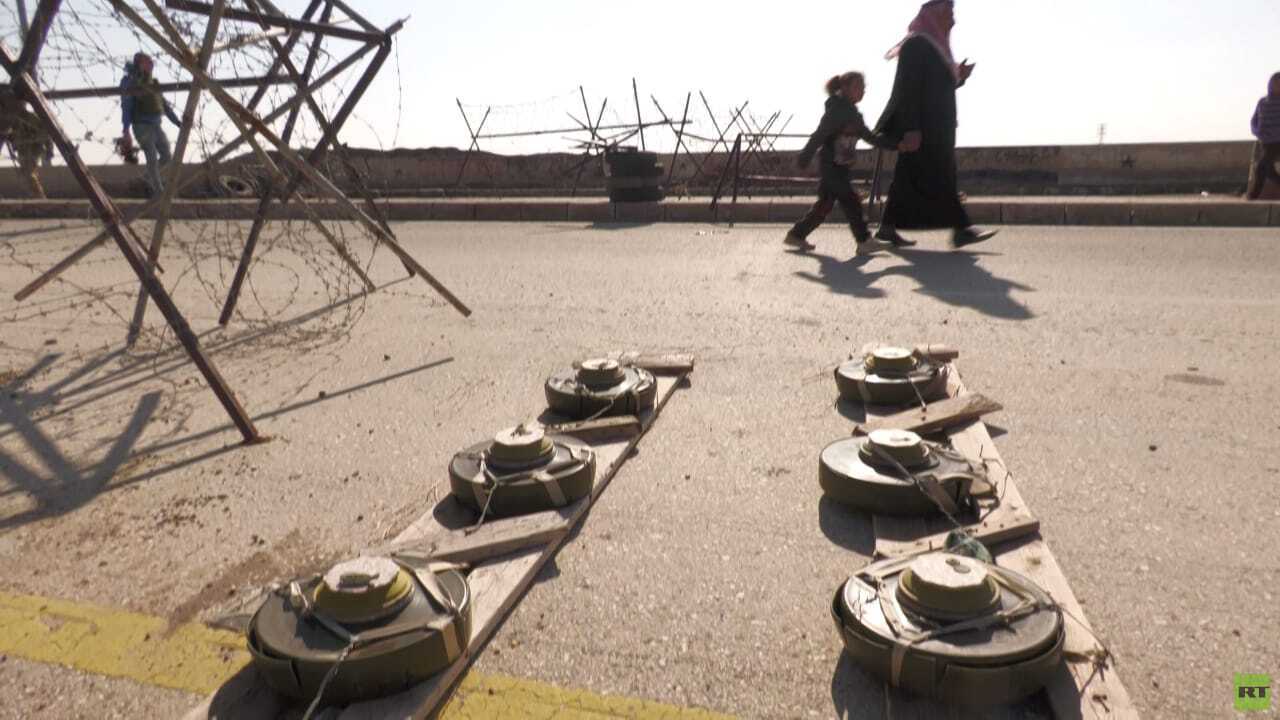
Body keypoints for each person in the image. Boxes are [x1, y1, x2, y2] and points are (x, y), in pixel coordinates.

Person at [874, 0, 995, 249]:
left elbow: (936, 88)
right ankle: (961, 229)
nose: (953, 18)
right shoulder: (916, 44)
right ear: (935, 13)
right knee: (941, 176)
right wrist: (911, 129)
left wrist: (959, 77)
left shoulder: (937, 48)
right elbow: (908, 89)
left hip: (937, 127)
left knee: (909, 178)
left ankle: (887, 227)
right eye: (949, 11)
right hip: (924, 129)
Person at [785, 72, 905, 255]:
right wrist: (804, 159)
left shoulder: (852, 113)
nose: (862, 90)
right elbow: (819, 135)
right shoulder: (837, 111)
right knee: (851, 201)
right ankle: (864, 240)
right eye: (858, 86)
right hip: (831, 166)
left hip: (841, 167)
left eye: (863, 87)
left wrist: (896, 144)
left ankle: (796, 234)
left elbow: (870, 137)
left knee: (824, 205)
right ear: (845, 88)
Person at [119, 53, 181, 197]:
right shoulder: (131, 82)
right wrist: (126, 130)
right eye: (146, 62)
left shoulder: (153, 83)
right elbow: (126, 106)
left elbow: (164, 105)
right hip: (142, 126)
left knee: (167, 156)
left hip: (156, 125)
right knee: (152, 158)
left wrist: (177, 122)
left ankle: (147, 178)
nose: (151, 64)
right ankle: (159, 192)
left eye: (150, 62)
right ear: (139, 64)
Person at [0, 85, 53, 198]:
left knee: (28, 174)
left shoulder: (30, 118)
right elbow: (12, 135)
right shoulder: (14, 120)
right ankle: (36, 197)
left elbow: (46, 133)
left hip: (32, 149)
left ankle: (39, 197)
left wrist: (48, 148)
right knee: (26, 174)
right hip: (23, 149)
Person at [1245, 72, 1280, 201]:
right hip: (1265, 142)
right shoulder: (1263, 102)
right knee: (1268, 170)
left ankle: (1253, 196)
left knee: (1261, 168)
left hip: (1278, 142)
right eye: (1276, 83)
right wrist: (1257, 131)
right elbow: (1254, 120)